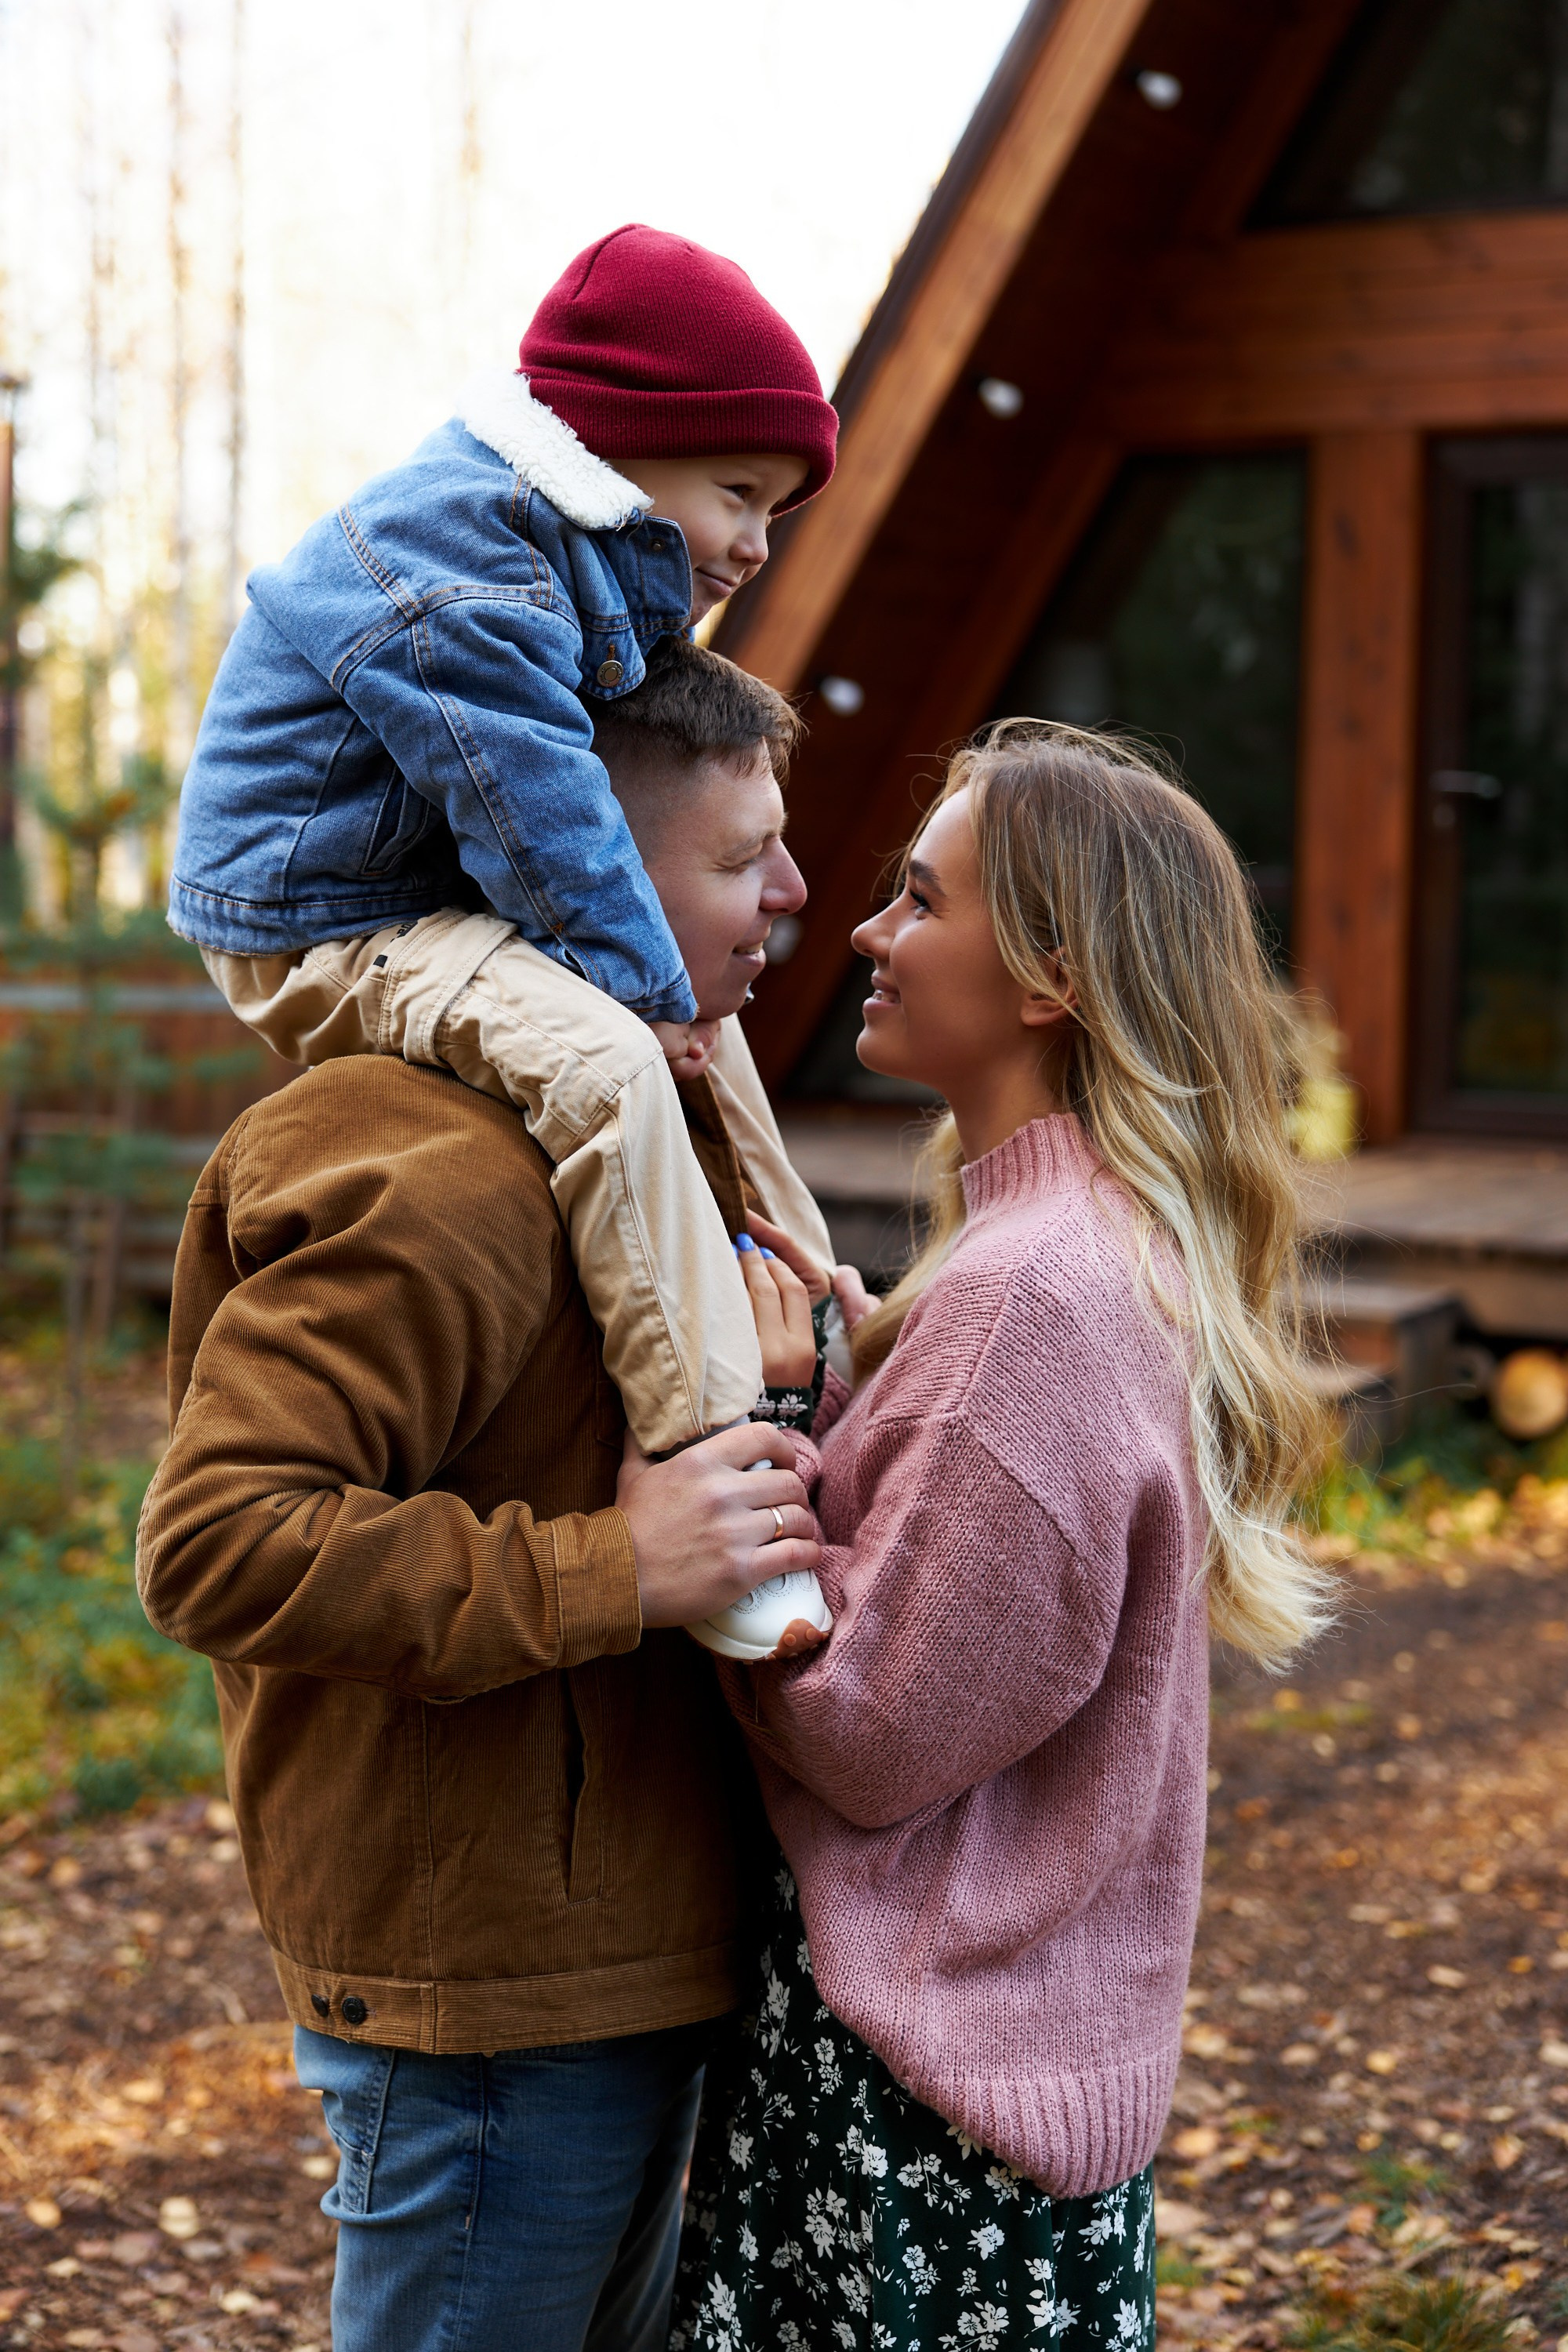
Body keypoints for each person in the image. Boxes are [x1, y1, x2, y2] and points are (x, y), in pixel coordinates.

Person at [136, 651, 838, 2352]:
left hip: (616, 1957)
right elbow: (218, 1541)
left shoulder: (644, 1124)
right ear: (571, 860)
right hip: (493, 2010)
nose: (799, 894)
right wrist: (618, 1568)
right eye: (743, 855)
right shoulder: (433, 1163)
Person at [670, 721, 1338, 2352]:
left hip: (917, 2116)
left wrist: (731, 1476)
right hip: (998, 2089)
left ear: (1046, 974)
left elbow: (874, 1726)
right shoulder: (1072, 1247)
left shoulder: (1027, 1298)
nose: (868, 936)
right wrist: (838, 1385)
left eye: (919, 901)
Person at [167, 223, 837, 1460]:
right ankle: (718, 1448)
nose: (756, 544)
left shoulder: (559, 548)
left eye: (774, 510)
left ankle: (821, 1307)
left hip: (419, 893)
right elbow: (542, 818)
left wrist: (675, 996)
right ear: (619, 450)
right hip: (321, 922)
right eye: (738, 496)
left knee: (701, 1019)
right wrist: (644, 997)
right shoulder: (462, 567)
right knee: (618, 1061)